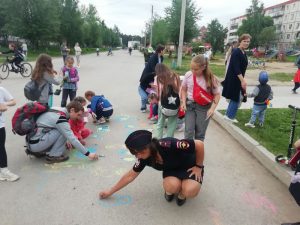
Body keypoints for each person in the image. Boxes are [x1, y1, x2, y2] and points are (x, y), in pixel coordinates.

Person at [99, 130, 205, 206]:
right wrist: (110, 191)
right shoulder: (144, 158)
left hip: (189, 166)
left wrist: (199, 166)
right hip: (171, 170)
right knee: (171, 187)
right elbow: (130, 176)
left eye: (137, 153)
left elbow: (199, 144)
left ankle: (182, 195)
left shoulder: (168, 144)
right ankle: (172, 190)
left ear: (147, 148)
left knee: (190, 190)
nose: (136, 156)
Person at [26, 101, 99, 163]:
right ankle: (53, 156)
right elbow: (72, 139)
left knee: (63, 130)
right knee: (64, 132)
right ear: (72, 110)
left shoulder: (57, 109)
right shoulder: (61, 118)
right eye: (78, 115)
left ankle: (38, 151)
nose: (78, 117)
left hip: (31, 141)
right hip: (36, 144)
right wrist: (88, 154)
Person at [180, 55, 220, 141]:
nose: (193, 71)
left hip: (204, 108)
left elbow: (217, 95)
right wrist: (183, 102)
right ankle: (188, 153)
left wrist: (212, 109)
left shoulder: (211, 78)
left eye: (196, 69)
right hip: (190, 106)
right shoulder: (188, 75)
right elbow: (183, 89)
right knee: (188, 132)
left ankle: (198, 152)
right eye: (191, 68)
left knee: (200, 134)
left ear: (203, 67)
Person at [222, 34, 251, 123]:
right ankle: (230, 116)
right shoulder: (236, 52)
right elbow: (236, 68)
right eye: (244, 41)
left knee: (235, 97)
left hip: (238, 78)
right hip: (234, 78)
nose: (246, 43)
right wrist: (243, 81)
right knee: (236, 97)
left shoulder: (243, 52)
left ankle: (228, 114)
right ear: (240, 41)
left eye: (248, 41)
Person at [154, 64, 181, 138]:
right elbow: (179, 91)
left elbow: (158, 93)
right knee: (172, 125)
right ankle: (169, 142)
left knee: (160, 123)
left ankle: (159, 141)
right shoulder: (175, 76)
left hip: (162, 104)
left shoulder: (157, 78)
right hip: (174, 104)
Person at [0, 86, 19, 181]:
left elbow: (13, 101)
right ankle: (3, 171)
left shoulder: (1, 90)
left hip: (0, 125)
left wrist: (3, 104)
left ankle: (3, 171)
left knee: (1, 147)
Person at [138, 44, 165, 113]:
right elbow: (153, 68)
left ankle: (151, 102)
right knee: (146, 96)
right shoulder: (153, 57)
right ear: (161, 50)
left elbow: (161, 67)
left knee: (153, 94)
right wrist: (156, 76)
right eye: (164, 50)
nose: (165, 51)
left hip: (154, 77)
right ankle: (144, 105)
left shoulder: (161, 57)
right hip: (148, 77)